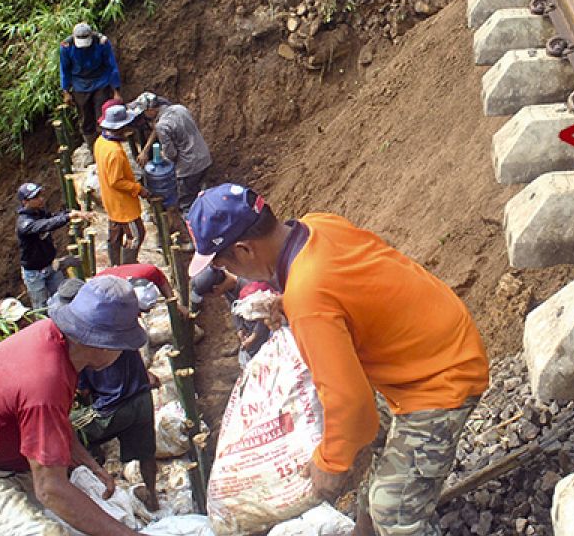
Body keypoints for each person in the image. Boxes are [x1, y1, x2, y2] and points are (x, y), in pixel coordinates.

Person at [186, 184, 489, 535]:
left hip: (442, 376)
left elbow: (353, 408)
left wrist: (330, 463)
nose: (227, 271)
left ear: (243, 249)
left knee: (394, 513)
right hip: (435, 340)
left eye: (224, 263)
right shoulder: (316, 225)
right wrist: (290, 303)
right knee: (375, 462)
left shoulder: (308, 295)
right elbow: (351, 288)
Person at [0, 276, 148, 536]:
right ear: (103, 345)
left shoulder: (56, 342)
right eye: (122, 346)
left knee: (87, 516)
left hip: (6, 461)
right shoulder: (45, 379)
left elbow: (53, 422)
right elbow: (49, 489)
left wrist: (87, 463)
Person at [51, 279, 162, 512]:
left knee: (68, 432)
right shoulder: (117, 323)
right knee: (146, 453)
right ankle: (152, 496)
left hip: (112, 407)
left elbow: (82, 390)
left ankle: (95, 482)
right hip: (141, 398)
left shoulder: (81, 342)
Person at [132, 92, 213, 216]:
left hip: (189, 168)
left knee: (186, 203)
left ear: (151, 110)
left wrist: (162, 157)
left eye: (144, 112)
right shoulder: (180, 108)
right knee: (202, 193)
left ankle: (193, 224)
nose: (144, 115)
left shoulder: (162, 126)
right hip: (205, 157)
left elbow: (171, 154)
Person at [16, 182, 88, 309]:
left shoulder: (39, 212)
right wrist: (67, 217)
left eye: (40, 195)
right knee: (41, 307)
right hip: (34, 273)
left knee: (63, 298)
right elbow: (46, 225)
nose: (41, 199)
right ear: (25, 201)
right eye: (36, 197)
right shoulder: (24, 223)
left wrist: (70, 213)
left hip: (50, 266)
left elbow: (53, 217)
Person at [95, 104, 151, 266]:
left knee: (115, 232)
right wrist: (139, 189)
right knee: (136, 235)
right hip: (123, 204)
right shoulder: (115, 153)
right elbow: (116, 181)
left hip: (110, 200)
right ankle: (128, 266)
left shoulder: (100, 142)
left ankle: (115, 263)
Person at [60, 23, 123, 143]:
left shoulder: (101, 42)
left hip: (100, 81)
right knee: (85, 117)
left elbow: (111, 66)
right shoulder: (66, 47)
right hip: (80, 83)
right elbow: (64, 69)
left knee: (103, 114)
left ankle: (105, 142)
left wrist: (116, 90)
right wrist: (66, 91)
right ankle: (91, 145)